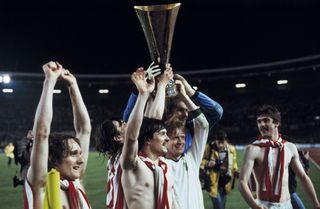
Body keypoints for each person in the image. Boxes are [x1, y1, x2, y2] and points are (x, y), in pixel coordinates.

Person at [95, 63, 172, 209]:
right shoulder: (128, 154)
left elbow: (150, 122)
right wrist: (159, 86)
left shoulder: (118, 156)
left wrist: (151, 86)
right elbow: (152, 119)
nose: (126, 123)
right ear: (118, 138)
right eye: (122, 125)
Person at [25, 61, 92, 209]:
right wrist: (49, 81)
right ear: (52, 158)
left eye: (80, 153)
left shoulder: (76, 183)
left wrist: (73, 85)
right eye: (73, 154)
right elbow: (42, 134)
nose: (81, 160)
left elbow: (84, 130)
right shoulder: (41, 184)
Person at [238, 104, 320, 209]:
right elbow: (242, 182)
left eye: (266, 120)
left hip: (286, 205)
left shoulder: (290, 147)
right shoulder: (253, 149)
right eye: (259, 121)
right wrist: (255, 206)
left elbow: (303, 177)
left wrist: (315, 201)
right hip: (263, 205)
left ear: (276, 123)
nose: (261, 124)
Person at [120, 68, 178, 209]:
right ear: (147, 140)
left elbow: (154, 121)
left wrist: (162, 86)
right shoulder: (133, 164)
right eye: (163, 134)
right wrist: (143, 95)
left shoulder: (165, 166)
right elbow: (132, 136)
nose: (167, 138)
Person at [165, 78, 210, 209]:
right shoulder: (160, 165)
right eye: (175, 137)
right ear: (165, 140)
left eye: (182, 137)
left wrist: (184, 95)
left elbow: (203, 126)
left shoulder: (191, 159)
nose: (180, 141)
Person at [164, 74, 223, 151]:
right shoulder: (159, 129)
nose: (185, 115)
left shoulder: (194, 128)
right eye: (180, 110)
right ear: (170, 111)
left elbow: (217, 112)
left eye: (187, 110)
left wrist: (192, 93)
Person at [200, 129, 239, 209]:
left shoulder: (231, 149)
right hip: (212, 181)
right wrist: (208, 163)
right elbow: (200, 161)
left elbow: (234, 163)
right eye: (219, 143)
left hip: (226, 181)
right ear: (216, 141)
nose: (221, 145)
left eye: (223, 142)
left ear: (226, 141)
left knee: (222, 205)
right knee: (218, 205)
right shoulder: (209, 148)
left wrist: (236, 171)